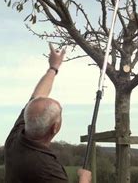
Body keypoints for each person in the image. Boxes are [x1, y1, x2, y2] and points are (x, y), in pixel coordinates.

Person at [5, 43, 92, 183]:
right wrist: (84, 179)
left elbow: (37, 95)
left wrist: (53, 67)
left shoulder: (15, 139)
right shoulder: (47, 169)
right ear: (55, 127)